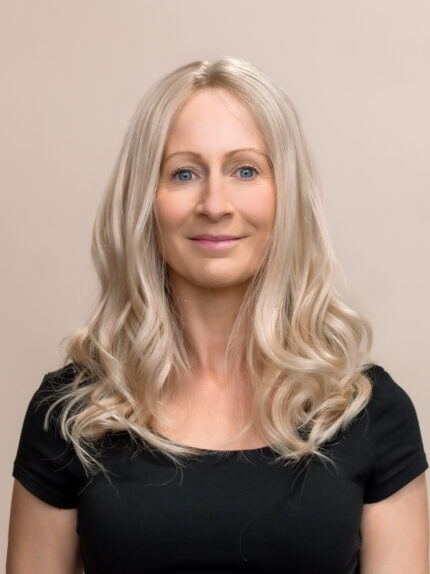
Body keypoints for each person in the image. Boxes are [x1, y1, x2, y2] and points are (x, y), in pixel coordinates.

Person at [7, 57, 429, 573]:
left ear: (286, 195)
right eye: (184, 173)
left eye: (245, 170)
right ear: (144, 199)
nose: (214, 204)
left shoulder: (370, 412)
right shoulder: (72, 415)